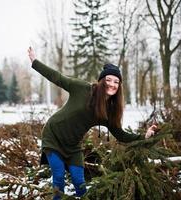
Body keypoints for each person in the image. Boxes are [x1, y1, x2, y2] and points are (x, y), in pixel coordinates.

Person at [27, 47, 157, 199]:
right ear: (101, 81)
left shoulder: (108, 111)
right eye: (108, 80)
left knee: (80, 183)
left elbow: (121, 135)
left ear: (119, 86)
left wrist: (144, 136)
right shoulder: (82, 88)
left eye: (116, 82)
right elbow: (57, 77)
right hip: (53, 136)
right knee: (59, 178)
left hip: (73, 146)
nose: (112, 84)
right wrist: (35, 62)